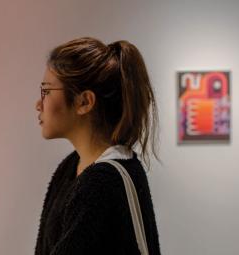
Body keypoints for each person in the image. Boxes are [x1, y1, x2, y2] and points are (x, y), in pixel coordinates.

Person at [34, 37, 161, 255]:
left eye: (46, 91)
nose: (38, 104)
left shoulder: (103, 182)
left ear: (84, 102)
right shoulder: (72, 165)